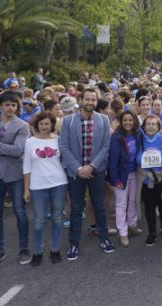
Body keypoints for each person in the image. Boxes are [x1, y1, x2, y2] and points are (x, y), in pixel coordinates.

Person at [59, 88, 114, 260]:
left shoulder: (104, 120)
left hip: (96, 171)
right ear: (81, 99)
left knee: (99, 206)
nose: (90, 102)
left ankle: (104, 238)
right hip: (75, 172)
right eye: (87, 99)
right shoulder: (68, 121)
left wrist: (92, 166)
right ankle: (73, 244)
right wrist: (78, 168)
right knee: (76, 209)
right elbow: (64, 147)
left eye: (93, 100)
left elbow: (106, 146)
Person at [0, 92, 32, 268]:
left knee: (20, 212)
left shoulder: (23, 126)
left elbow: (18, 150)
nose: (10, 108)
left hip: (15, 174)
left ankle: (24, 248)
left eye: (14, 105)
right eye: (7, 104)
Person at [22, 111, 67, 266]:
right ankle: (37, 251)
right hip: (38, 186)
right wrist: (26, 189)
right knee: (39, 221)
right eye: (41, 124)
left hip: (58, 183)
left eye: (47, 123)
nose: (44, 126)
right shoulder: (30, 142)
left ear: (52, 125)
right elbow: (26, 166)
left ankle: (55, 249)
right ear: (37, 125)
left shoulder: (59, 140)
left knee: (57, 218)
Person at [108, 111, 143, 247]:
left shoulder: (137, 134)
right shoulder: (116, 137)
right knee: (121, 204)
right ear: (121, 122)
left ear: (134, 121)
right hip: (121, 175)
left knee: (133, 201)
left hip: (134, 172)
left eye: (130, 120)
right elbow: (112, 161)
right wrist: (115, 180)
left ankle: (132, 225)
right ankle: (123, 232)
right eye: (125, 120)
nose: (128, 122)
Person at [137, 115, 162, 247]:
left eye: (154, 124)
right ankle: (152, 232)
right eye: (148, 124)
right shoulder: (139, 139)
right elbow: (137, 158)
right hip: (146, 179)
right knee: (149, 206)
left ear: (159, 127)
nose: (151, 126)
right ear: (144, 126)